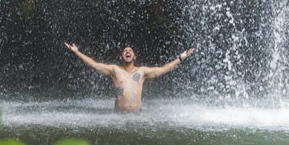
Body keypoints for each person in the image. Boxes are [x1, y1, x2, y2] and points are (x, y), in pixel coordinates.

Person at [63, 42, 195, 112]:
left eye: (130, 51)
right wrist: (77, 52)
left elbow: (162, 69)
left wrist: (181, 58)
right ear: (121, 57)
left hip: (138, 116)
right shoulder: (114, 70)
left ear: (134, 57)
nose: (128, 52)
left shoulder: (142, 71)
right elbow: (94, 64)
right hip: (119, 117)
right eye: (125, 51)